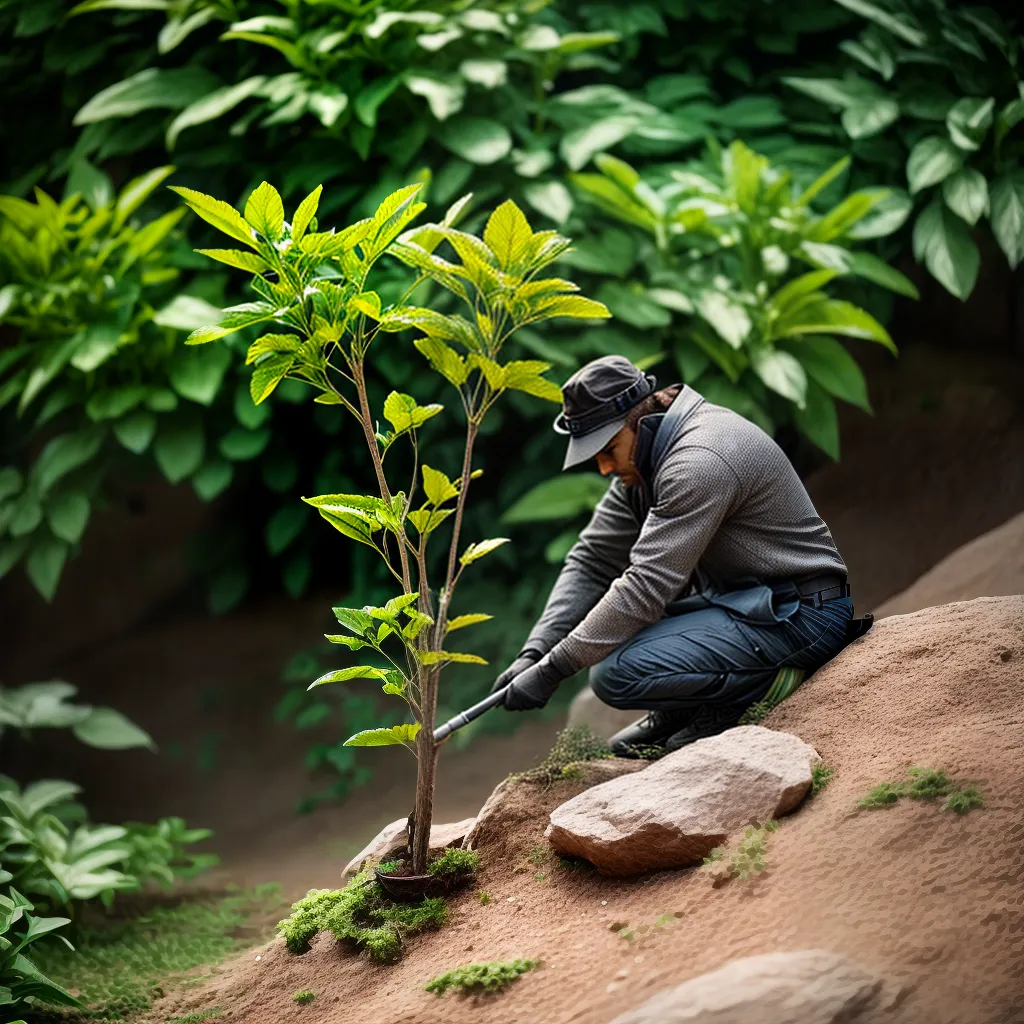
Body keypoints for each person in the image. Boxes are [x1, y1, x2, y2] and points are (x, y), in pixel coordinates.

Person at [493, 355, 869, 756]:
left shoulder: (698, 459)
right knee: (619, 634)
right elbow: (592, 560)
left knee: (615, 673)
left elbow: (644, 588)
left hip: (801, 614)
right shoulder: (645, 461)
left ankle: (751, 690)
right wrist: (534, 652)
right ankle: (686, 705)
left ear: (640, 420)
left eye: (607, 449)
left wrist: (554, 668)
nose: (603, 467)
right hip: (746, 604)